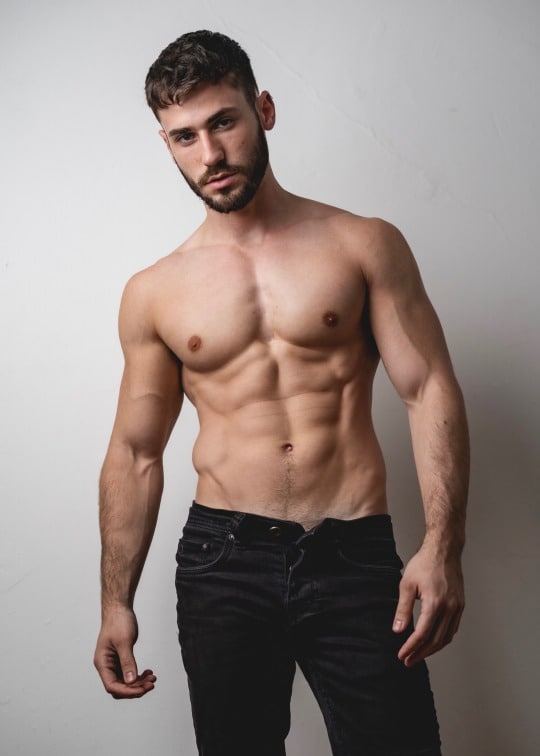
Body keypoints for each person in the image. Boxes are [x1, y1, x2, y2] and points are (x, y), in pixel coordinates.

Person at [94, 30, 469, 756]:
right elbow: (135, 454)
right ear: (166, 144)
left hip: (353, 551)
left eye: (223, 122)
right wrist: (115, 601)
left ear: (263, 109)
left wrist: (442, 547)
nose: (210, 154)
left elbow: (428, 390)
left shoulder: (363, 244)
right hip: (222, 562)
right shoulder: (153, 292)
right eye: (185, 137)